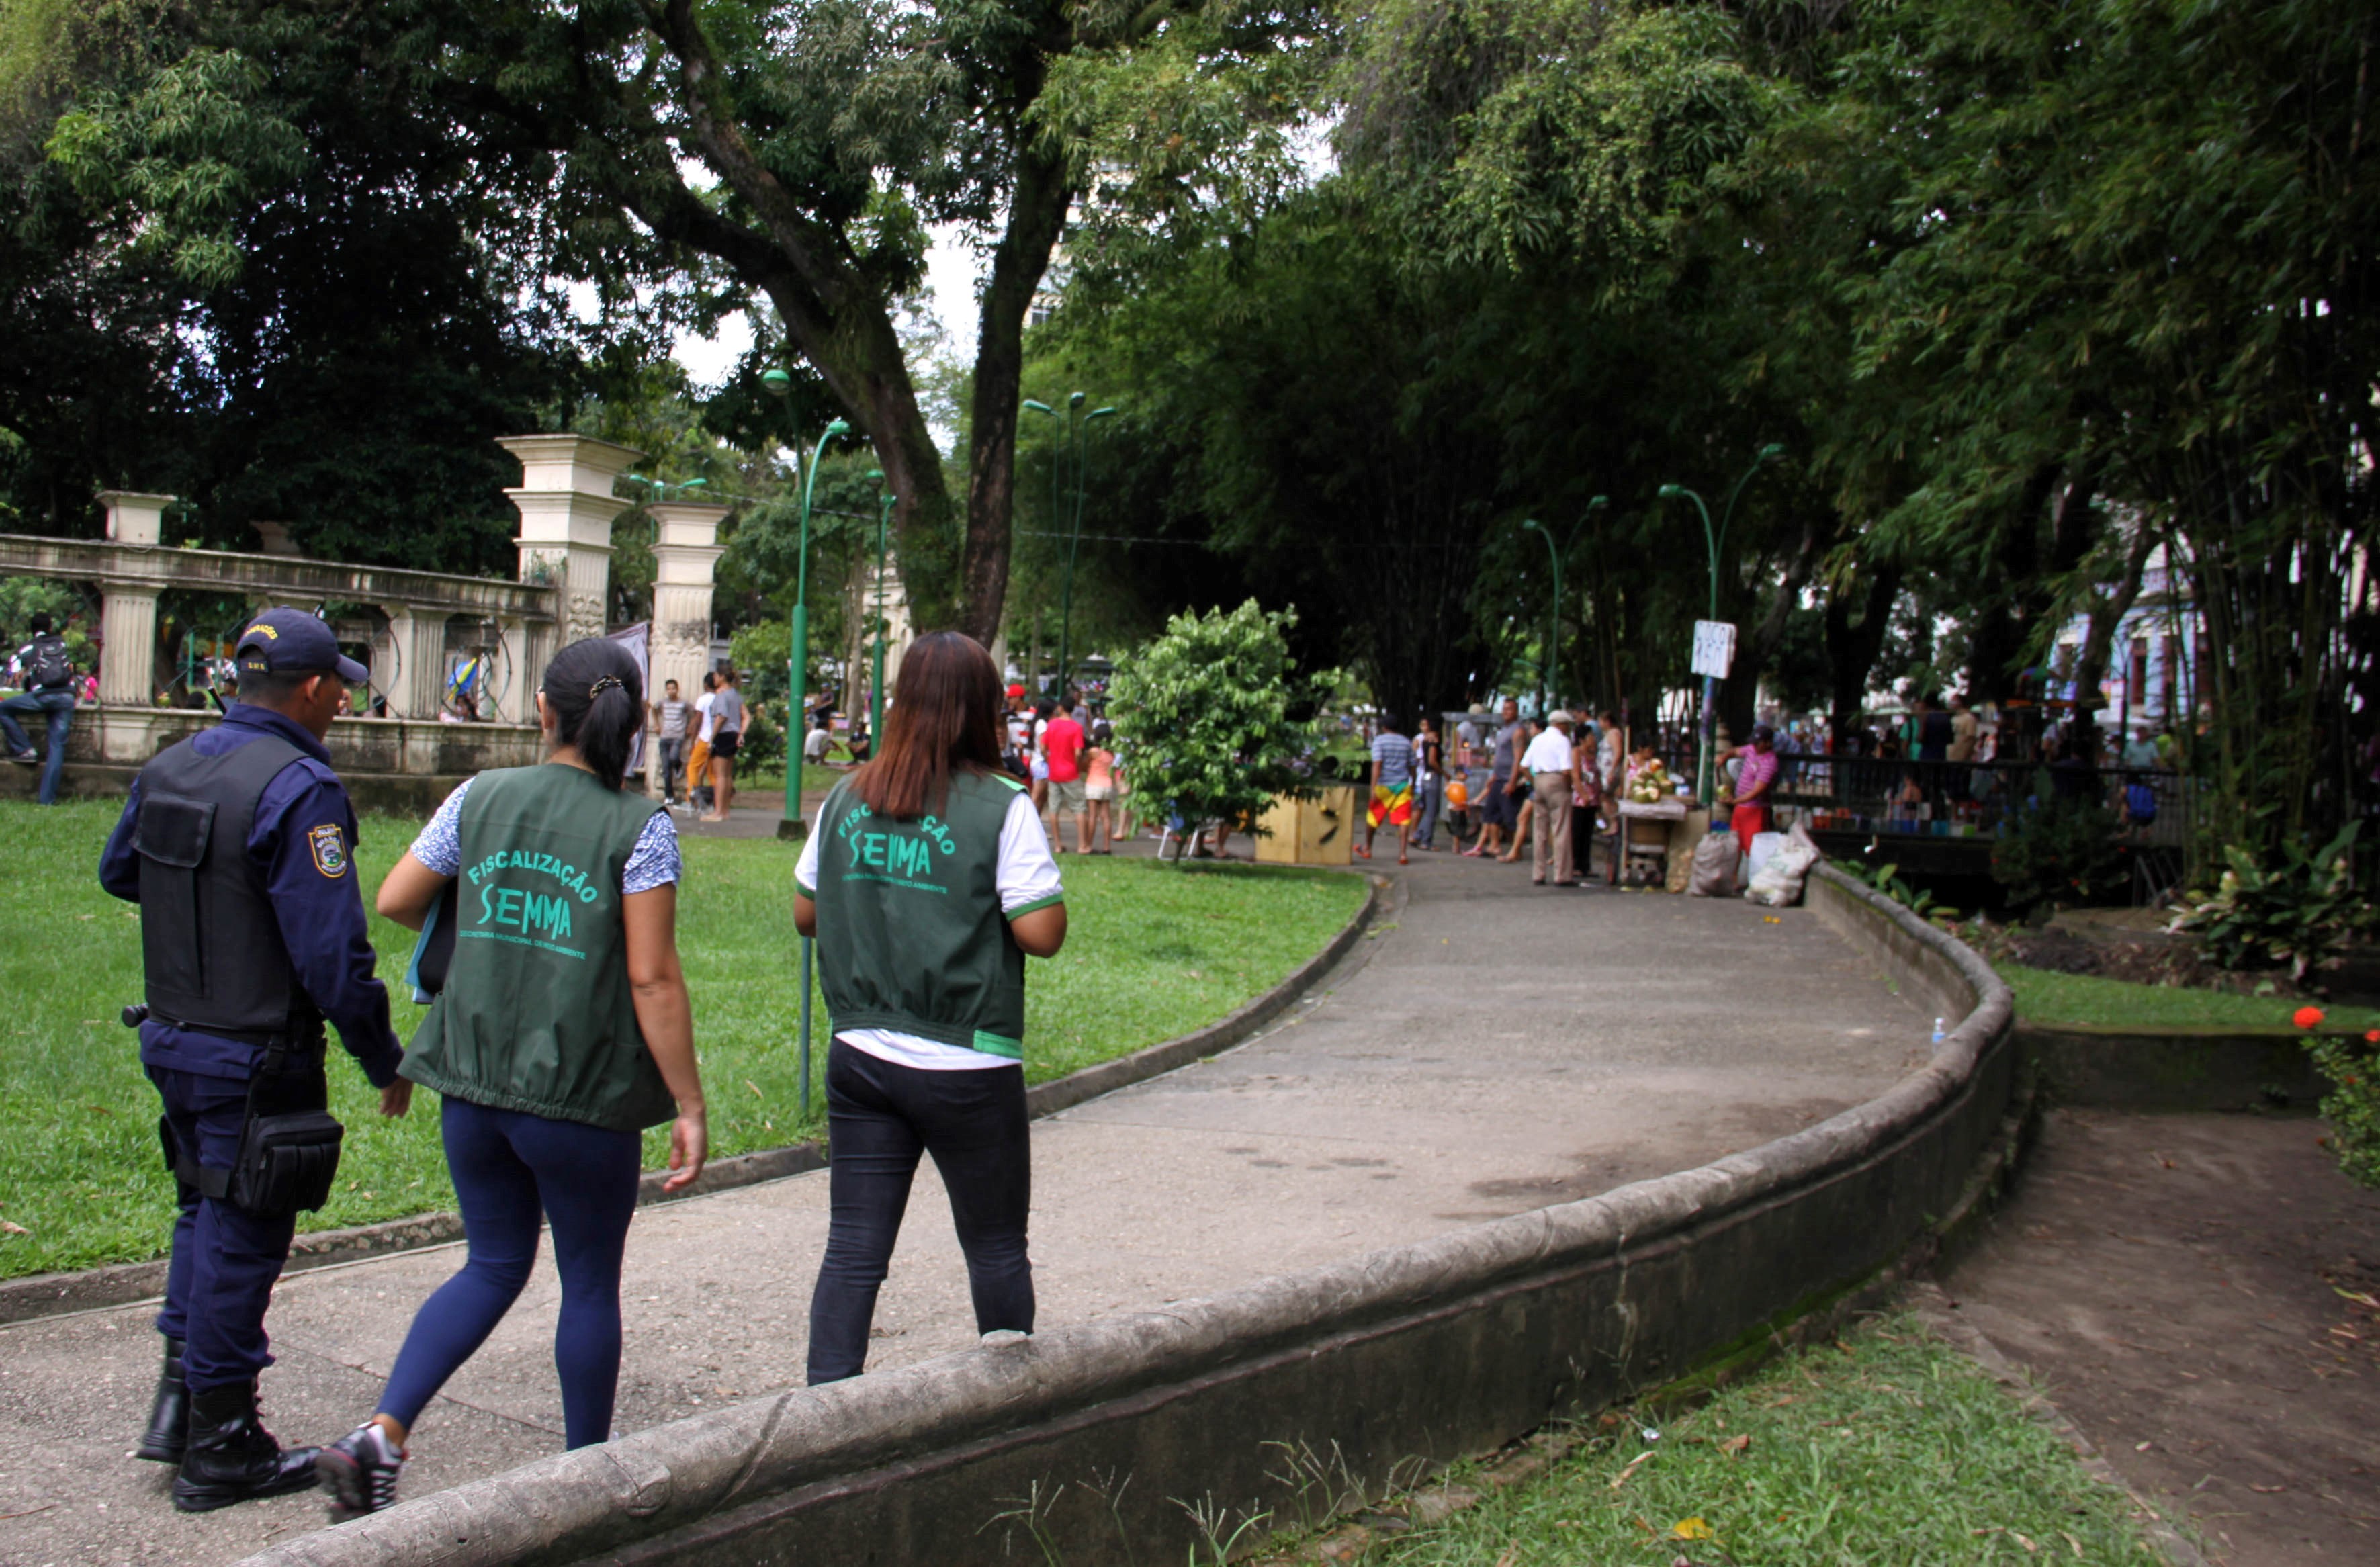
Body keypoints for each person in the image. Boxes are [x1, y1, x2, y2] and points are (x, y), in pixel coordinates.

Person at [308, 638, 706, 1517]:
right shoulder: (638, 825)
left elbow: (396, 898)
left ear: (542, 711)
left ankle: (382, 1434)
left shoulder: (479, 796)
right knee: (589, 1282)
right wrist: (686, 1100)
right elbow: (651, 975)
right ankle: (584, 1478)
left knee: (491, 1262)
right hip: (578, 1092)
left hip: (471, 1079)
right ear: (633, 721)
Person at [97, 609, 406, 1512]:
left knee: (202, 1210)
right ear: (311, 689)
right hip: (256, 1052)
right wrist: (381, 1056)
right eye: (340, 686)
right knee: (243, 1237)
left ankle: (179, 1407)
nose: (346, 700)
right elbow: (331, 955)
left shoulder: (172, 763)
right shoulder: (299, 785)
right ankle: (222, 1446)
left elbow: (124, 870)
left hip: (174, 1034)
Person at [794, 632, 1066, 1384]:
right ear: (984, 710)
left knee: (852, 1250)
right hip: (968, 1060)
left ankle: (823, 1423)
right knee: (996, 1247)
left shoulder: (847, 795)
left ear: (902, 703)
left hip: (861, 1054)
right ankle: (1010, 1411)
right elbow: (1040, 934)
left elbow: (803, 912)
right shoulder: (1003, 805)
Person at [4, 611, 79, 804]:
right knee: (57, 747)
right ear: (51, 627)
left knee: (3, 709)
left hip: (43, 696)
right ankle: (47, 800)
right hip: (66, 697)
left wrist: (22, 675)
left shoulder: (29, 647)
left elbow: (13, 668)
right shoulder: (61, 644)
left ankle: (25, 748)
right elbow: (69, 668)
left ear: (32, 629)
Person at [1520, 710, 1579, 886]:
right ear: (1562, 725)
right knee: (1560, 828)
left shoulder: (1537, 740)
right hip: (1557, 781)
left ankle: (1538, 873)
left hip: (1539, 780)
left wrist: (1534, 782)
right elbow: (1567, 770)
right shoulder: (1563, 741)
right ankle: (1562, 875)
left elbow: (1524, 766)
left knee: (1539, 830)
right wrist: (1568, 786)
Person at [1464, 697, 1523, 859]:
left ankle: (1516, 849)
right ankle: (1494, 845)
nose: (1506, 712)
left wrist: (1513, 780)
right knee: (1490, 814)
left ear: (1516, 711)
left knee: (1511, 818)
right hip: (1498, 777)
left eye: (1510, 709)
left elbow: (1518, 757)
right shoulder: (1504, 730)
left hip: (1508, 779)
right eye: (1504, 709)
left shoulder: (1518, 731)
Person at [1362, 713, 1417, 864]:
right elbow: (1413, 766)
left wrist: (1373, 788)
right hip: (1403, 786)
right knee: (1404, 820)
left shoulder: (1379, 741)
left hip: (1384, 786)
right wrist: (1413, 784)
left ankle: (1367, 848)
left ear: (1384, 727)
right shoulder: (1406, 742)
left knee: (1373, 817)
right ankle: (1403, 854)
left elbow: (1377, 765)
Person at [1042, 695, 1088, 853]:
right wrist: (1077, 765)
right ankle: (1082, 845)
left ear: (1060, 708)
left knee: (1054, 809)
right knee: (1079, 807)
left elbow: (1043, 747)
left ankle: (1057, 845)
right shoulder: (1076, 728)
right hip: (1070, 773)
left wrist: (1049, 759)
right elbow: (1078, 752)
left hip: (1054, 772)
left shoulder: (1052, 724)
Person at [703, 664, 744, 822]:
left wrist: (712, 737)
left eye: (715, 676)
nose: (714, 679)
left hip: (722, 734)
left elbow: (721, 717)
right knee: (727, 775)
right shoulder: (735, 694)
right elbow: (743, 715)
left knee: (719, 776)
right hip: (733, 734)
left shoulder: (721, 695)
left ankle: (718, 811)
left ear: (721, 677)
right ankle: (725, 811)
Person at [1732, 723, 1779, 858]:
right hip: (1741, 807)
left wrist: (1734, 801)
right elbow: (1736, 751)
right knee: (1735, 845)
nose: (1755, 746)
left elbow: (1757, 791)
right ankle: (1735, 878)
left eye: (1758, 743)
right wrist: (1724, 756)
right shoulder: (1752, 749)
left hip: (1755, 809)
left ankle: (1755, 878)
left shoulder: (1770, 762)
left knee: (1753, 849)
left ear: (1768, 743)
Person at [652, 678, 691, 808]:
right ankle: (669, 796)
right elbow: (653, 709)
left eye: (673, 688)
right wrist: (657, 725)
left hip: (677, 736)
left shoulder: (683, 704)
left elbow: (694, 713)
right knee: (666, 768)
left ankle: (679, 766)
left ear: (677, 689)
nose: (671, 691)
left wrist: (690, 727)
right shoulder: (663, 703)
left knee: (674, 757)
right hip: (665, 737)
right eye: (668, 689)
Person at [1084, 722, 1120, 854]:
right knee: (1106, 816)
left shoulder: (1094, 751)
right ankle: (1107, 847)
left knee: (1092, 816)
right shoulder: (1111, 754)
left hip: (1094, 784)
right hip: (1107, 785)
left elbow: (1085, 763)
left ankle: (1088, 845)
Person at [686, 671, 717, 812]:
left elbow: (698, 720)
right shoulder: (720, 698)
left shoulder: (703, 699)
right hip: (717, 739)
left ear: (705, 685)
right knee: (712, 772)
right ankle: (717, 801)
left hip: (704, 738)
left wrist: (692, 741)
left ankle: (692, 799)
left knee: (693, 768)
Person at [1411, 717, 1445, 850]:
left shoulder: (1425, 741)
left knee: (1426, 810)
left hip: (1424, 777)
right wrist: (1444, 773)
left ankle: (1420, 835)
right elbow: (1432, 761)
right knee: (1431, 811)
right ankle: (1424, 839)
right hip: (1432, 777)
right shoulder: (1432, 743)